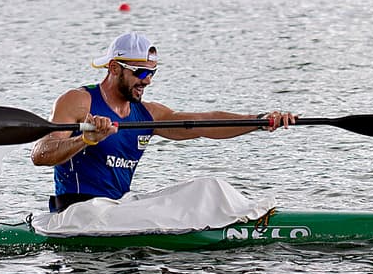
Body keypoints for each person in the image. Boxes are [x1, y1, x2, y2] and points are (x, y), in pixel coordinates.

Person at [31, 32, 297, 212]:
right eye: (142, 72)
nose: (148, 80)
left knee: (207, 187)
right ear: (114, 68)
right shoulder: (79, 101)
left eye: (153, 72)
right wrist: (86, 139)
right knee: (205, 191)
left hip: (114, 210)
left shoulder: (148, 114)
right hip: (76, 212)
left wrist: (259, 121)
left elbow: (202, 123)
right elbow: (41, 155)